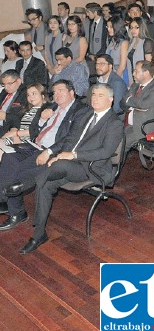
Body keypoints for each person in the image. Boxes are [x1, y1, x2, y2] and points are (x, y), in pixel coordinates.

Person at [15, 83, 123, 254]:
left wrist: (72, 155)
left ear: (110, 100)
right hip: (72, 165)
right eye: (93, 94)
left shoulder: (114, 122)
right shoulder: (86, 114)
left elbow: (105, 151)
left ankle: (26, 183)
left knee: (58, 165)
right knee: (46, 184)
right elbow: (71, 138)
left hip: (92, 168)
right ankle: (38, 234)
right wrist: (60, 153)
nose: (94, 98)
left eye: (100, 95)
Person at [0, 80, 90, 231]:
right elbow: (34, 130)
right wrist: (42, 119)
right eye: (55, 92)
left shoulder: (80, 110)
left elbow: (71, 138)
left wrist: (48, 152)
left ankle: (15, 211)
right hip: (35, 145)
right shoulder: (52, 107)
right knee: (9, 157)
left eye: (61, 90)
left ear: (71, 92)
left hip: (52, 151)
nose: (57, 94)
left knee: (18, 171)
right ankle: (7, 202)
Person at [121, 60, 154, 152]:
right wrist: (134, 103)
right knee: (107, 137)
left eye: (136, 71)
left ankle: (112, 166)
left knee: (120, 144)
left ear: (146, 73)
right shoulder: (134, 86)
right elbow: (122, 102)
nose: (133, 74)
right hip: (127, 124)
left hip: (142, 128)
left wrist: (130, 100)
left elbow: (143, 104)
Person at [1, 83, 47, 150]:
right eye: (28, 95)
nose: (31, 97)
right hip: (18, 138)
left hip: (29, 142)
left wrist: (16, 133)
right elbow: (17, 122)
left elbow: (37, 130)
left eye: (34, 93)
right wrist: (14, 129)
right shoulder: (27, 109)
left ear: (42, 95)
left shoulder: (45, 111)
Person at [0, 70, 27, 138]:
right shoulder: (4, 92)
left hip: (7, 128)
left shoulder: (26, 95)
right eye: (4, 84)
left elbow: (23, 118)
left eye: (9, 84)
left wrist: (6, 116)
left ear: (18, 81)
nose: (6, 87)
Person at [105, 16, 130, 86]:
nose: (109, 29)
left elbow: (122, 66)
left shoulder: (124, 43)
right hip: (111, 73)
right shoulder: (111, 41)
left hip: (120, 75)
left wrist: (113, 80)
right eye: (107, 27)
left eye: (111, 27)